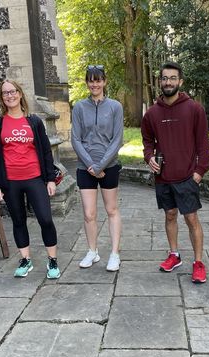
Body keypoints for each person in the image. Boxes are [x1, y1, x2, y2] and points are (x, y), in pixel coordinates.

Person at [141, 61, 209, 283]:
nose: (168, 82)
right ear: (160, 82)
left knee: (191, 218)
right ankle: (174, 255)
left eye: (172, 78)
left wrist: (199, 172)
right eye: (164, 78)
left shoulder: (194, 109)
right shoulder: (152, 113)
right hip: (163, 177)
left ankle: (198, 263)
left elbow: (203, 144)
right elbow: (147, 140)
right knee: (170, 215)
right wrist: (149, 157)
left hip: (187, 176)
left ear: (180, 81)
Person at [0, 80, 61, 279]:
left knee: (45, 219)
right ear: (2, 98)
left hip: (35, 178)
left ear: (20, 94)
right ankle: (25, 260)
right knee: (18, 221)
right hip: (10, 181)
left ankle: (52, 260)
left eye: (13, 91)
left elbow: (45, 151)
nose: (9, 95)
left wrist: (50, 179)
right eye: (5, 93)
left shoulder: (34, 121)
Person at [71, 65, 123, 272]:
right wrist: (91, 166)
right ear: (87, 82)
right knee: (89, 213)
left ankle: (114, 254)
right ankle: (92, 251)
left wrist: (101, 165)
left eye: (98, 80)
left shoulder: (115, 107)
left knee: (111, 210)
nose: (95, 84)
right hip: (85, 169)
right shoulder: (79, 107)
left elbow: (118, 138)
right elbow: (75, 139)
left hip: (109, 166)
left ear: (104, 82)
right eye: (91, 80)